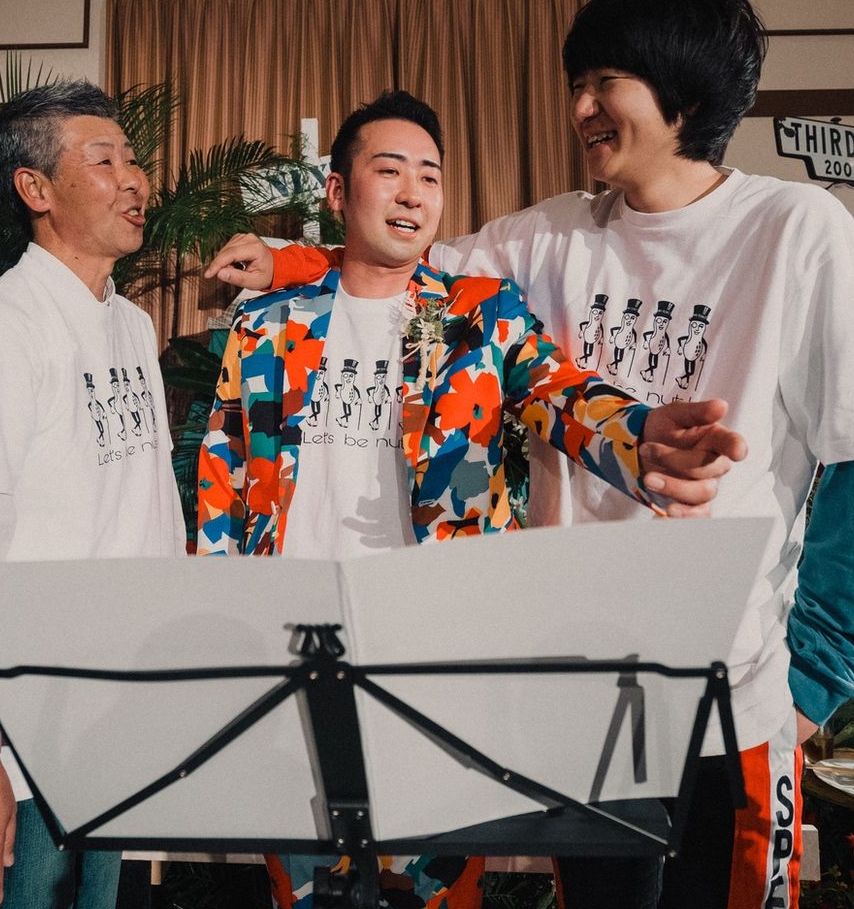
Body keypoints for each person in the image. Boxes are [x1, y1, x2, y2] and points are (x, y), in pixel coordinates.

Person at [205, 0, 854, 908]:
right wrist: (288, 262)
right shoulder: (547, 238)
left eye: (604, 83)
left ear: (683, 91)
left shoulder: (797, 229)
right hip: (577, 689)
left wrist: (813, 684)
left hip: (731, 686)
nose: (580, 107)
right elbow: (399, 271)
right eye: (576, 84)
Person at [198, 88, 748, 909]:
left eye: (430, 175)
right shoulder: (267, 327)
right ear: (339, 193)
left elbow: (565, 397)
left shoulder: (474, 317)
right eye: (390, 171)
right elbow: (223, 484)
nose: (413, 192)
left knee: (435, 889)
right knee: (306, 887)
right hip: (297, 656)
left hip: (438, 660)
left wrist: (642, 435)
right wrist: (222, 642)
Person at [0, 80, 186, 909]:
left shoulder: (132, 326)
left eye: (132, 158)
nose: (134, 179)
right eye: (104, 161)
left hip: (112, 727)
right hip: (21, 748)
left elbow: (143, 521)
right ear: (36, 188)